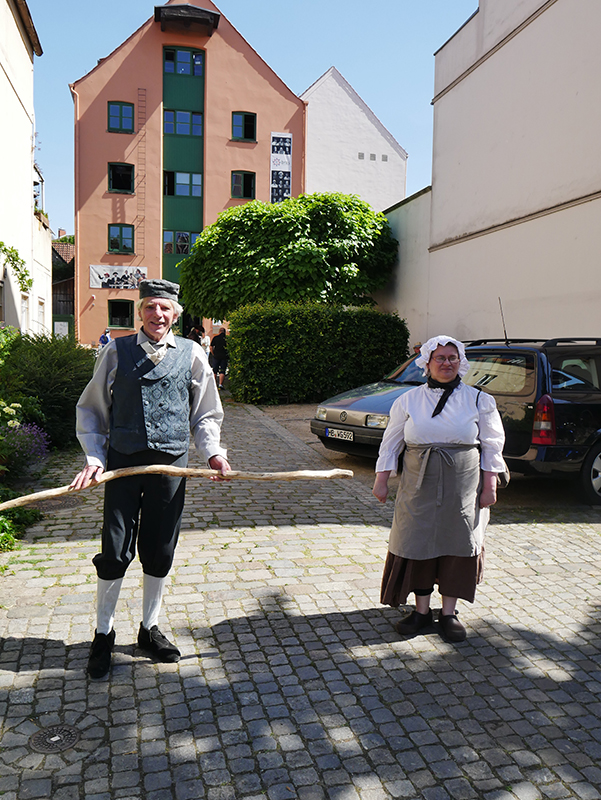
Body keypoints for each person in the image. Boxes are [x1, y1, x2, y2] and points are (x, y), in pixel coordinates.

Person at [70, 279, 231, 679]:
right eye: (150, 308)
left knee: (160, 547)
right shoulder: (116, 351)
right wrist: (93, 457)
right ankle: (103, 634)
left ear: (175, 314)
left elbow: (206, 413)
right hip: (122, 465)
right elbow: (92, 409)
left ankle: (149, 629)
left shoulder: (193, 354)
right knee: (115, 549)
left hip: (171, 467)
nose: (157, 315)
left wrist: (213, 452)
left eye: (165, 309)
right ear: (140, 312)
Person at [372, 335, 505, 642]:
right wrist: (381, 480)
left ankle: (448, 613)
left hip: (463, 482)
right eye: (440, 358)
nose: (447, 364)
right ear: (427, 363)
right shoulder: (408, 400)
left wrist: (490, 485)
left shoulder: (478, 399)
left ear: (461, 363)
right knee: (417, 541)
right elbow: (391, 441)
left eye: (452, 358)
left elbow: (492, 446)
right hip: (417, 483)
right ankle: (420, 611)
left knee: (457, 542)